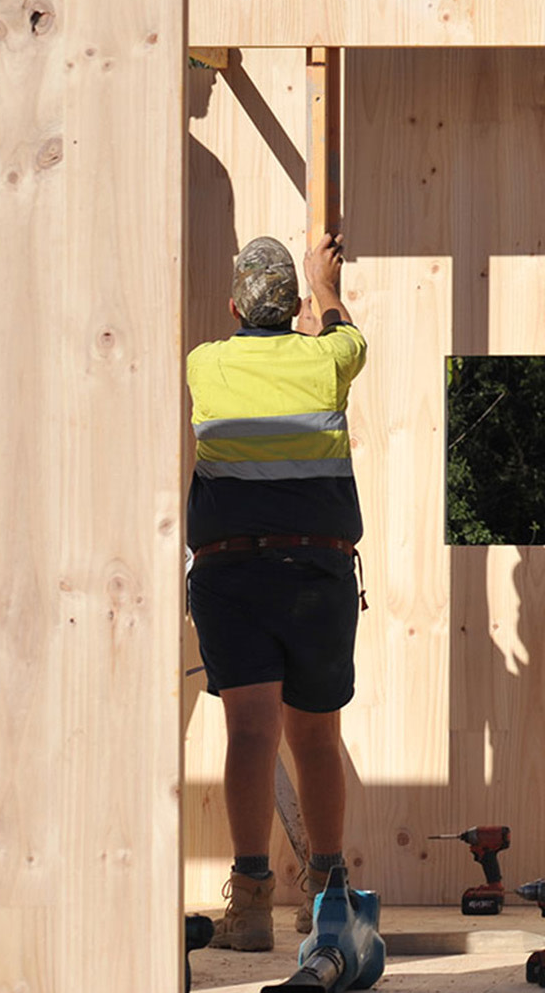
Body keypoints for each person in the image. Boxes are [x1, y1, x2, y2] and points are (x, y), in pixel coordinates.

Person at [187, 234, 367, 950]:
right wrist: (326, 285)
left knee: (250, 733)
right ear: (293, 308)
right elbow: (344, 331)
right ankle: (327, 897)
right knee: (316, 736)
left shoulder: (205, 362)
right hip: (315, 575)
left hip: (230, 577)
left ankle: (252, 903)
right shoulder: (329, 356)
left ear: (233, 307)